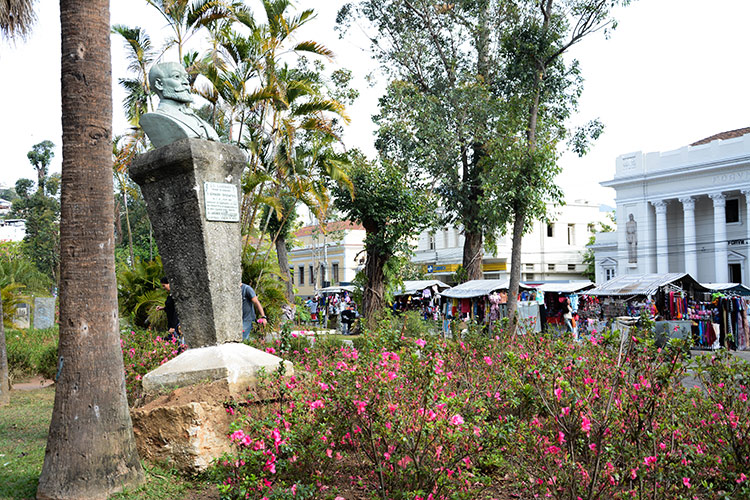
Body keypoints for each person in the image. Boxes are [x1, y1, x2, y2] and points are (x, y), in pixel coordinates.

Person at [139, 62, 220, 148]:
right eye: (177, 76)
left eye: (185, 77)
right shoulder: (156, 119)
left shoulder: (199, 120)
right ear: (160, 84)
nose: (186, 82)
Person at [157, 277, 180, 343]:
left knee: (176, 343)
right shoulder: (170, 295)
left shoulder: (175, 296)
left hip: (175, 324)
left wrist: (173, 326)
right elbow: (170, 308)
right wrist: (163, 308)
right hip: (170, 323)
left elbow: (176, 311)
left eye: (164, 286)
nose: (164, 288)